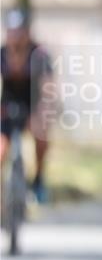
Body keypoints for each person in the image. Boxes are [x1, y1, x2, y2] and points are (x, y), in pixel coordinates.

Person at [1, 10, 54, 203]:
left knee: (41, 136)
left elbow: (48, 85)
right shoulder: (2, 54)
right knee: (1, 149)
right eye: (12, 32)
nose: (15, 37)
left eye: (19, 32)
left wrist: (46, 107)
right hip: (6, 107)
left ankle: (38, 179)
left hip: (32, 105)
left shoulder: (39, 54)